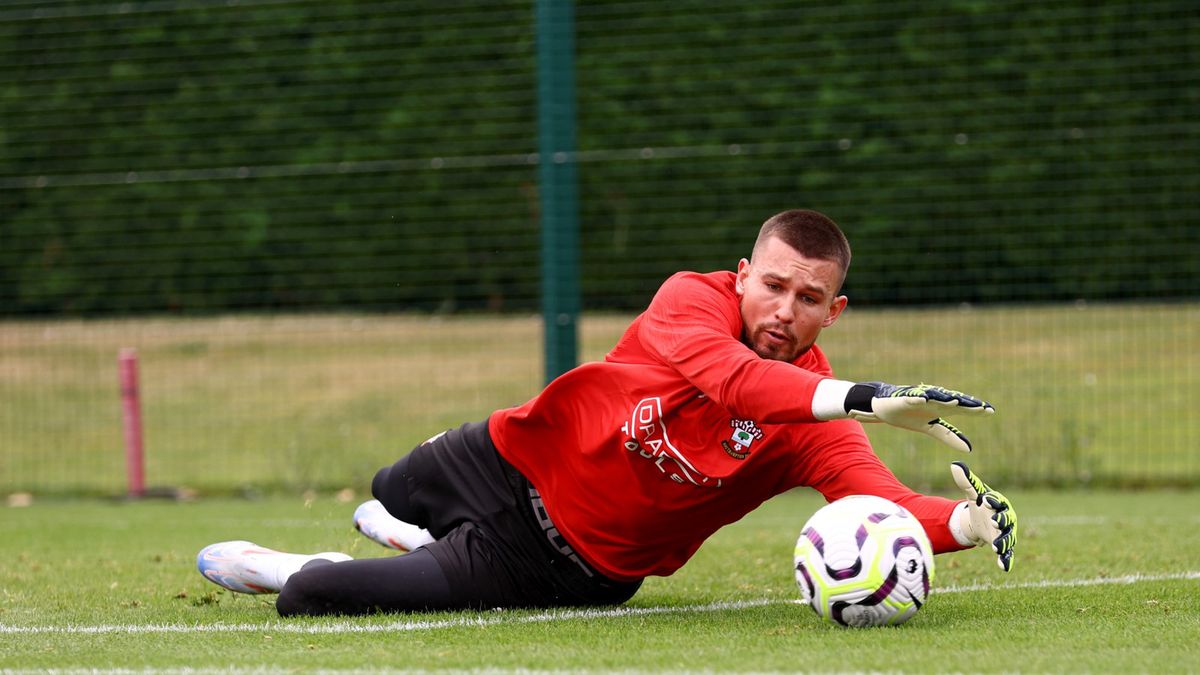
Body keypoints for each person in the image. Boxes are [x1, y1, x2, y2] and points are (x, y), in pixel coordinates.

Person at [197, 209, 1018, 616]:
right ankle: (418, 527)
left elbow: (881, 502)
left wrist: (968, 523)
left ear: (833, 313)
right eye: (772, 285)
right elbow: (734, 379)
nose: (784, 308)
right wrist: (865, 398)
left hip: (562, 565)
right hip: (508, 455)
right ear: (741, 276)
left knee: (318, 597)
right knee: (386, 485)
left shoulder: (815, 419)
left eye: (809, 297)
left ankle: (306, 562)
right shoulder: (688, 301)